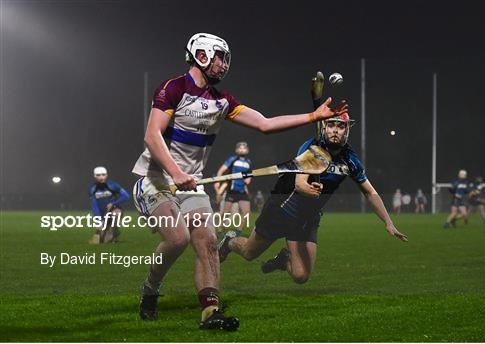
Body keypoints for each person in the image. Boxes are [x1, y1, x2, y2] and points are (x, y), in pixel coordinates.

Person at [131, 33, 347, 331]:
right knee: (178, 238)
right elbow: (152, 136)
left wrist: (313, 116)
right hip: (156, 180)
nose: (224, 64)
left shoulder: (222, 101)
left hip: (193, 184)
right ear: (202, 54)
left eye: (225, 58)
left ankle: (210, 312)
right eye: (219, 56)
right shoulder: (173, 89)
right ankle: (150, 290)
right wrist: (176, 173)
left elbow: (265, 124)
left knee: (207, 242)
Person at [218, 110, 407, 285]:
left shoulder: (350, 160)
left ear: (347, 130)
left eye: (341, 126)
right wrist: (309, 188)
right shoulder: (311, 147)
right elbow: (300, 184)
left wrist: (388, 222)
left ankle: (284, 260)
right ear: (324, 127)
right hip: (282, 208)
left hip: (306, 218)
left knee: (301, 276)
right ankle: (229, 240)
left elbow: (370, 192)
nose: (335, 130)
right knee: (248, 252)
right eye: (331, 125)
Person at [214, 142, 252, 233]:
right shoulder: (232, 159)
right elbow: (221, 171)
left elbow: (249, 174)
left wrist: (249, 179)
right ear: (236, 150)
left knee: (247, 213)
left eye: (244, 148)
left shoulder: (249, 162)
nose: (242, 149)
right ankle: (220, 229)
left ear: (247, 150)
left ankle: (238, 231)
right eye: (240, 148)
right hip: (231, 190)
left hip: (242, 191)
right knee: (226, 213)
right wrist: (217, 182)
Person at [88, 166, 130, 244]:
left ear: (107, 175)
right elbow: (94, 205)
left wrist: (113, 203)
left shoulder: (113, 185)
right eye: (98, 175)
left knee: (116, 213)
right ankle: (109, 233)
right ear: (94, 176)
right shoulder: (92, 188)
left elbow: (126, 196)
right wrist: (98, 221)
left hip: (112, 211)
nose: (101, 177)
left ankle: (112, 233)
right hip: (102, 216)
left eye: (103, 175)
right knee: (102, 240)